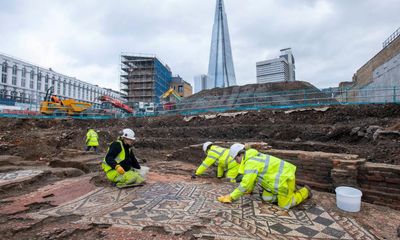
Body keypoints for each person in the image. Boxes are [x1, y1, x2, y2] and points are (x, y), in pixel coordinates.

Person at [217, 143, 312, 209]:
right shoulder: (250, 157)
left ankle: (305, 191)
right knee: (267, 198)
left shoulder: (251, 162)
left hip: (285, 179)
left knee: (285, 206)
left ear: (239, 155)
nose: (235, 161)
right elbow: (252, 179)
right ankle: (286, 194)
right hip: (275, 182)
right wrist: (249, 191)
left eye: (235, 159)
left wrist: (231, 197)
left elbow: (245, 183)